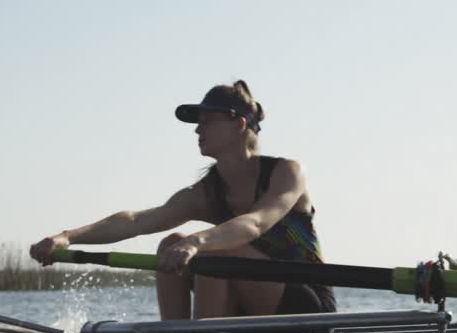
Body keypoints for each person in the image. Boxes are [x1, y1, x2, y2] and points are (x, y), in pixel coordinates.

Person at [30, 80, 336, 319]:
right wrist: (66, 237)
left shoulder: (287, 172)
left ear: (239, 124)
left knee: (210, 250)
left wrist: (198, 242)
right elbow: (137, 221)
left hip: (305, 302)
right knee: (171, 242)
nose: (197, 129)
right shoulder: (205, 193)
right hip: (247, 300)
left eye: (207, 121)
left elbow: (255, 224)